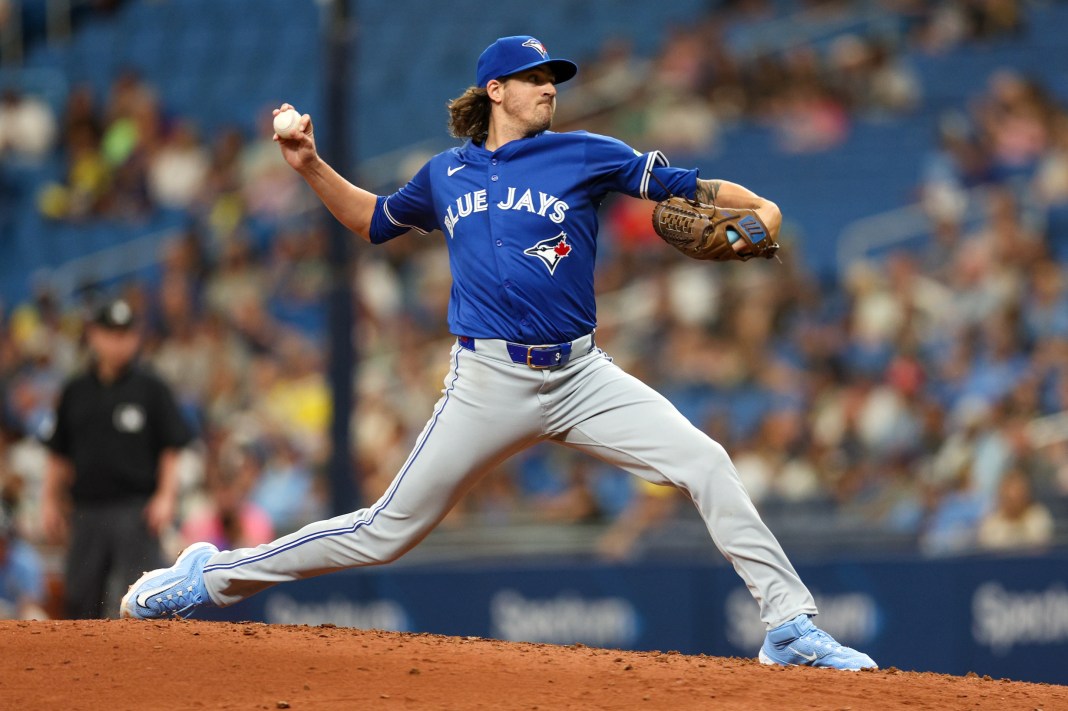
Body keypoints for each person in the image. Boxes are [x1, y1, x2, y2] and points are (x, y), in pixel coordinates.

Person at [121, 35, 876, 670]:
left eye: (554, 78)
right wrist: (311, 166)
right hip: (487, 378)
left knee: (705, 460)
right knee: (387, 531)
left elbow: (692, 184)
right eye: (536, 79)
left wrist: (763, 208)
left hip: (582, 374)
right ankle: (208, 576)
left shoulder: (587, 153)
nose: (550, 88)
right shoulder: (446, 172)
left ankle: (788, 625)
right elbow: (376, 222)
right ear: (496, 91)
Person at [40, 297, 195, 618]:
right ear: (94, 335)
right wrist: (49, 500)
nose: (119, 342)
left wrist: (166, 496)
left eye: (126, 333)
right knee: (80, 598)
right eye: (111, 333)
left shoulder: (151, 388)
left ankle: (143, 667)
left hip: (135, 510)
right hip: (86, 512)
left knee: (141, 599)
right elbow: (59, 452)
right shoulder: (75, 390)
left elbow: (171, 447)